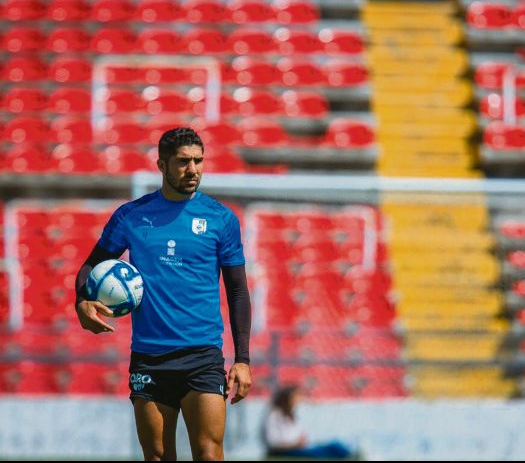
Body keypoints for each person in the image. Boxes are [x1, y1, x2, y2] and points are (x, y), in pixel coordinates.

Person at [74, 127, 252, 461]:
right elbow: (90, 267)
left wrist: (242, 359)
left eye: (199, 161)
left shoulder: (221, 219)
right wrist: (82, 301)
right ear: (162, 165)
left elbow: (238, 291)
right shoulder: (131, 216)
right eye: (184, 162)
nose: (193, 169)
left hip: (203, 356)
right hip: (149, 357)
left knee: (209, 453)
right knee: (156, 455)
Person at [261, 384, 357, 459]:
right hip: (285, 452)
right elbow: (273, 443)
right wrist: (295, 444)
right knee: (331, 448)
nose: (299, 399)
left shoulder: (290, 415)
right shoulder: (274, 415)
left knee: (333, 446)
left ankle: (351, 455)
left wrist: (300, 441)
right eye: (297, 396)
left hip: (297, 449)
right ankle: (352, 456)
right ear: (288, 398)